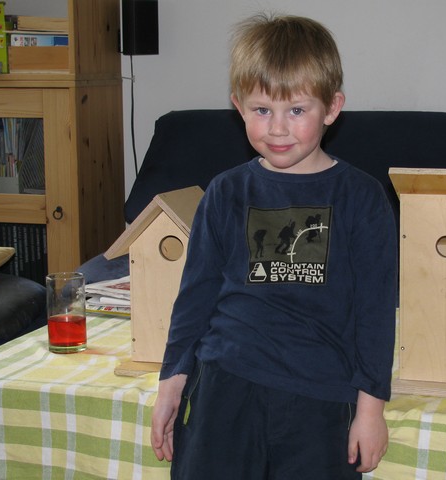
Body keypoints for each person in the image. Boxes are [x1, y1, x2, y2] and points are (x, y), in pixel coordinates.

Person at [151, 13, 397, 479]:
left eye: (297, 111)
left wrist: (371, 410)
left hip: (321, 396)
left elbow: (376, 313)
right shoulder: (225, 192)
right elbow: (194, 298)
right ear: (238, 107)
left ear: (332, 107)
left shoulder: (362, 198)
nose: (277, 129)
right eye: (262, 110)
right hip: (224, 386)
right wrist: (170, 385)